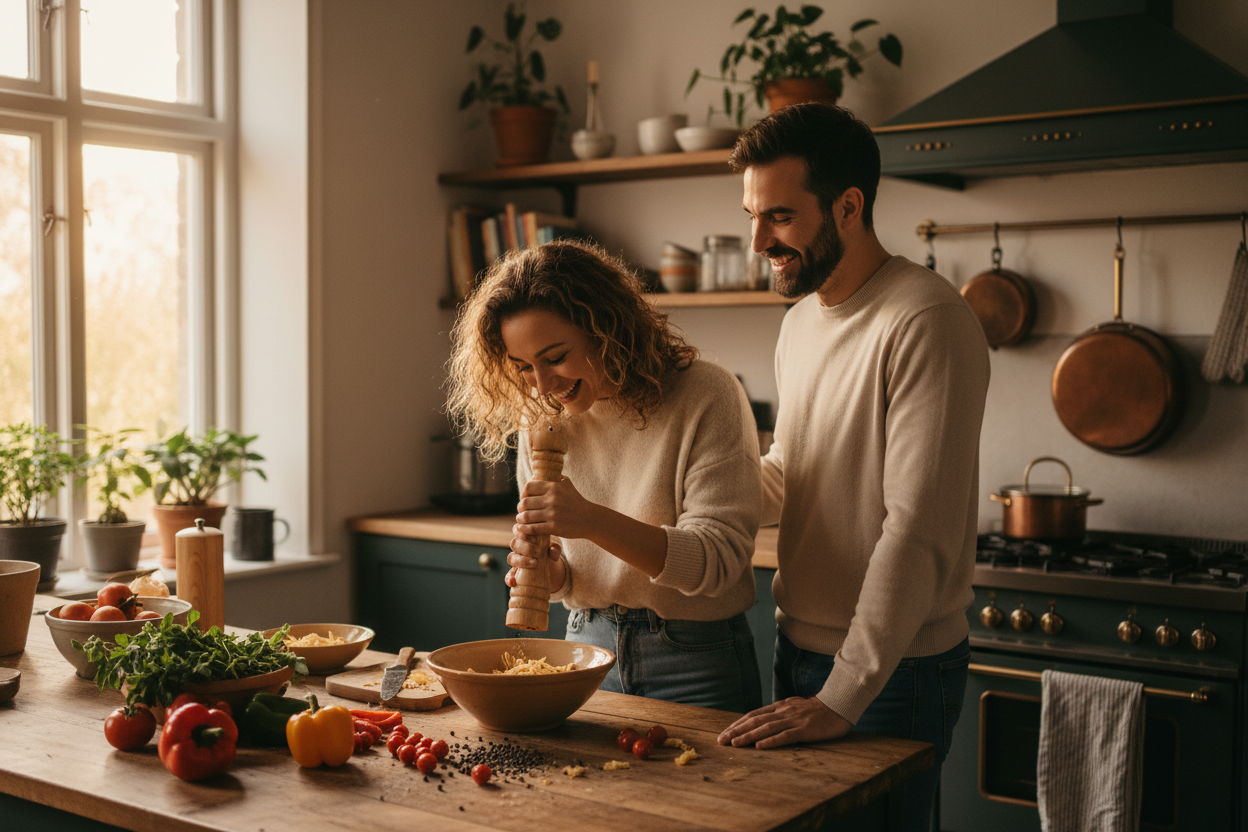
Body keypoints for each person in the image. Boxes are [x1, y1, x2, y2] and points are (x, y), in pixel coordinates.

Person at [716, 103, 991, 830]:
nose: (757, 241)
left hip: (895, 670)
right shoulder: (800, 320)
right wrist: (669, 502)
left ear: (848, 206)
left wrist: (844, 694)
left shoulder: (924, 320)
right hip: (799, 648)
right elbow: (787, 475)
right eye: (751, 215)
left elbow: (917, 533)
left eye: (778, 216)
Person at [445, 239, 764, 713]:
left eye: (555, 357)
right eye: (523, 368)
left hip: (696, 659)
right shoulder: (541, 417)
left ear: (607, 328)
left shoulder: (706, 394)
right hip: (585, 647)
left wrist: (591, 521)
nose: (543, 385)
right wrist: (550, 575)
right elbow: (573, 578)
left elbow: (718, 563)